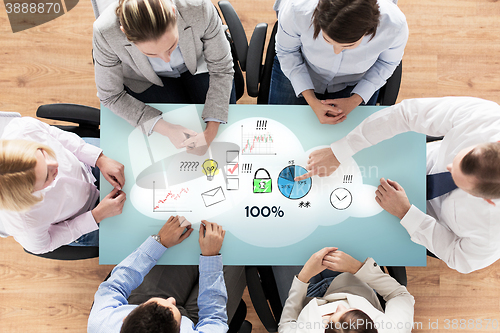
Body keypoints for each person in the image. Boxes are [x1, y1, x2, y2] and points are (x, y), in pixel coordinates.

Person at [296, 97, 500, 273]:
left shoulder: (494, 232)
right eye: (456, 160)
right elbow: (406, 114)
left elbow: (459, 258)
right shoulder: (487, 118)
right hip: (412, 159)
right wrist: (339, 151)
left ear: (489, 201)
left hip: (419, 222)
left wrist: (406, 213)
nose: (448, 166)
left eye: (457, 179)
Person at [93, 0, 235, 156]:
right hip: (146, 80)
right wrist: (166, 128)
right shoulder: (105, 32)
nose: (165, 59)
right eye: (151, 54)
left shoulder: (198, 7)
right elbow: (110, 95)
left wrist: (210, 133)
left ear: (174, 14)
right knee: (173, 143)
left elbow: (222, 68)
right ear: (125, 33)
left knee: (224, 132)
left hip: (199, 64)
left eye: (172, 46)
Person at [88, 216, 246, 333]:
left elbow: (115, 286)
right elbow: (214, 319)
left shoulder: (102, 323)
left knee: (185, 239)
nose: (172, 300)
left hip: (144, 304)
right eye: (172, 304)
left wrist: (159, 242)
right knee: (236, 248)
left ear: (125, 319)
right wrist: (211, 258)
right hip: (199, 323)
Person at [269, 0, 408, 125]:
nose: (336, 51)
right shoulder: (296, 8)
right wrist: (311, 100)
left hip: (356, 81)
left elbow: (386, 63)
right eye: (327, 40)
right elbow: (287, 52)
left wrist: (355, 100)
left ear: (370, 29)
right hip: (302, 67)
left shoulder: (394, 25)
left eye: (349, 46)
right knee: (281, 127)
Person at [0, 117, 126, 254]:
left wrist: (99, 158)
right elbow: (43, 245)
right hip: (86, 215)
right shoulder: (23, 222)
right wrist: (96, 216)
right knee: (142, 234)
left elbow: (57, 136)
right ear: (31, 193)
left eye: (43, 153)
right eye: (47, 176)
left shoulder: (23, 129)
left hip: (84, 160)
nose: (56, 164)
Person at [278, 247, 414, 333]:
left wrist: (303, 277)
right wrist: (356, 267)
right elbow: (399, 294)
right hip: (351, 279)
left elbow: (286, 324)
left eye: (330, 319)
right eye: (354, 312)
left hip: (305, 296)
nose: (340, 305)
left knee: (283, 242)